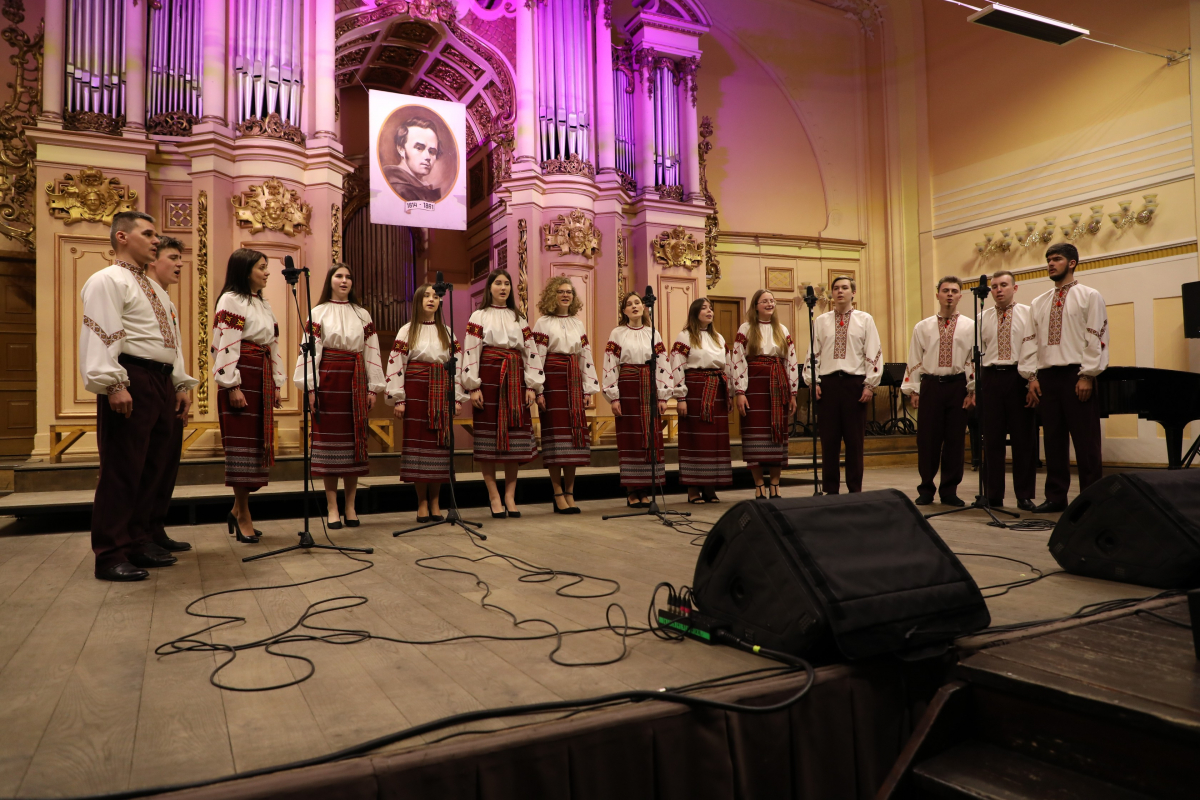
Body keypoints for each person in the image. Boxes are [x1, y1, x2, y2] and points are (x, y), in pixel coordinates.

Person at [79, 211, 197, 581]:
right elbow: (101, 334)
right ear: (122, 238)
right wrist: (113, 383)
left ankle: (140, 540)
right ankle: (110, 553)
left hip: (158, 381)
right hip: (132, 377)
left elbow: (168, 344)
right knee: (122, 468)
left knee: (152, 466)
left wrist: (178, 383)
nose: (156, 241)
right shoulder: (107, 280)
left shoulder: (156, 290)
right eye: (148, 234)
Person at [295, 264, 385, 529]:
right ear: (330, 281)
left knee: (354, 444)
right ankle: (332, 507)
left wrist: (372, 387)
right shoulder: (318, 312)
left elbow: (372, 350)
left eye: (348, 276)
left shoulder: (362, 314)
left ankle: (350, 506)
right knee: (328, 445)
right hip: (329, 379)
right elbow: (310, 352)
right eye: (339, 276)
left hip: (355, 380)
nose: (344, 280)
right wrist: (311, 388)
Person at [1026, 243, 1109, 513]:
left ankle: (1091, 500)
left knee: (1086, 443)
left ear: (1072, 263)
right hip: (1048, 377)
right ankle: (1056, 497)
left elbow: (1096, 337)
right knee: (1053, 440)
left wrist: (1087, 375)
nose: (1051, 264)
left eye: (1057, 259)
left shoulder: (1089, 296)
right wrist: (1032, 376)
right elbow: (1031, 343)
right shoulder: (1038, 302)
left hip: (1076, 375)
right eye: (1049, 259)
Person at [211, 248, 285, 542]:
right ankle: (243, 514)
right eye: (262, 267)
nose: (268, 272)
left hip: (261, 376)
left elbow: (274, 345)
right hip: (241, 377)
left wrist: (276, 382)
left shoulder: (263, 304)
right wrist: (232, 385)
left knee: (255, 449)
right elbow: (225, 343)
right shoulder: (232, 300)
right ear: (245, 270)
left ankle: (236, 508)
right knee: (241, 452)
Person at [461, 269, 543, 518]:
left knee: (514, 442)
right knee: (488, 442)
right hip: (489, 378)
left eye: (507, 283)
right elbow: (471, 351)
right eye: (498, 283)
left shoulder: (519, 318)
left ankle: (510, 495)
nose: (503, 287)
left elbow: (530, 351)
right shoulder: (479, 315)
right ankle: (493, 495)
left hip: (516, 378)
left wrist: (531, 385)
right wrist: (473, 386)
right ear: (490, 288)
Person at [386, 283, 467, 522]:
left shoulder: (448, 332)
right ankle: (421, 501)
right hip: (416, 391)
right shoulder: (406, 331)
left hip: (441, 392)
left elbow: (458, 366)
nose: (431, 300)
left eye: (435, 296)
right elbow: (396, 364)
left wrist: (456, 398)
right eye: (426, 296)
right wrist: (399, 398)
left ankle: (435, 502)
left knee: (440, 448)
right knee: (419, 449)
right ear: (418, 301)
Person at [139, 234, 196, 556]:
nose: (179, 264)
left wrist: (181, 385)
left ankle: (155, 526)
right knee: (147, 462)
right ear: (153, 259)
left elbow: (173, 349)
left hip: (166, 384)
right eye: (173, 257)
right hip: (143, 380)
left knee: (165, 460)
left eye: (180, 258)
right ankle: (139, 533)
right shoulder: (139, 291)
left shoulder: (168, 301)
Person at [802, 276, 882, 494]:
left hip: (854, 384)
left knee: (854, 442)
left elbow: (873, 351)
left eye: (844, 288)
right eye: (836, 288)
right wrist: (813, 380)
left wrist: (869, 385)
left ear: (853, 293)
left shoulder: (865, 319)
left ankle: (855, 489)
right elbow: (813, 352)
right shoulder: (821, 321)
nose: (840, 292)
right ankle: (830, 489)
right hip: (827, 384)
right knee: (829, 441)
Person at [902, 276, 977, 506]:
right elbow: (915, 358)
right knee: (927, 440)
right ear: (938, 295)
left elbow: (972, 359)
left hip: (957, 386)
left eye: (954, 291)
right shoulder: (922, 326)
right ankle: (926, 488)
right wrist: (914, 390)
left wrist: (971, 390)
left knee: (955, 440)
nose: (950, 294)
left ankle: (949, 490)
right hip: (931, 386)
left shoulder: (971, 325)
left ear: (960, 296)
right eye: (945, 290)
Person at [533, 277, 600, 514]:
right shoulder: (543, 322)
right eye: (561, 291)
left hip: (573, 381)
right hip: (552, 379)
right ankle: (557, 493)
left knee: (574, 439)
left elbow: (585, 355)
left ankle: (570, 492)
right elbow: (537, 356)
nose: (565, 295)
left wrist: (587, 389)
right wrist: (538, 389)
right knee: (555, 438)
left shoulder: (577, 324)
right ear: (553, 295)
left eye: (569, 292)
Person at [603, 292, 672, 507]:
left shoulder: (654, 333)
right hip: (628, 387)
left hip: (649, 388)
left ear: (644, 307)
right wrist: (613, 397)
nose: (634, 306)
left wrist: (663, 395)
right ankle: (632, 489)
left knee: (650, 435)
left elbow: (662, 363)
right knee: (631, 438)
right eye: (629, 304)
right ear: (624, 311)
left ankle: (646, 488)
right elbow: (610, 363)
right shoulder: (618, 333)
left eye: (637, 303)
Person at [979, 270, 1038, 512]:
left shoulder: (1028, 314)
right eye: (994, 286)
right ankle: (993, 495)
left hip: (1018, 378)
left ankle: (1024, 495)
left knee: (1023, 440)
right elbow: (979, 351)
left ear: (1015, 288)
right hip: (991, 378)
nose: (998, 290)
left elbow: (1035, 348)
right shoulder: (981, 317)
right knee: (992, 440)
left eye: (1003, 285)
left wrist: (1033, 378)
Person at [731, 290, 799, 499]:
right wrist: (740, 391)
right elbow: (738, 360)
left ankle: (775, 485)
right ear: (756, 306)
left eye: (772, 301)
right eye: (765, 301)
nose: (770, 304)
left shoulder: (782, 329)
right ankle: (759, 484)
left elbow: (791, 361)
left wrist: (793, 392)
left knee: (776, 435)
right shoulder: (746, 328)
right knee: (755, 436)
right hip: (755, 386)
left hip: (778, 386)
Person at [670, 297, 734, 504]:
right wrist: (681, 397)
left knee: (714, 440)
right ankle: (693, 488)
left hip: (717, 390)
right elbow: (676, 365)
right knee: (695, 439)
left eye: (711, 308)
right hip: (695, 389)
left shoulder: (718, 337)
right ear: (695, 312)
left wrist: (729, 392)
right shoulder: (686, 336)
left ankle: (710, 486)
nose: (709, 311)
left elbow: (728, 365)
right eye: (704, 308)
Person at [382, 117, 443, 202]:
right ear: (401, 149)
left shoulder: (423, 187)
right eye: (419, 148)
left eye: (432, 151)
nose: (427, 157)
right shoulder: (397, 187)